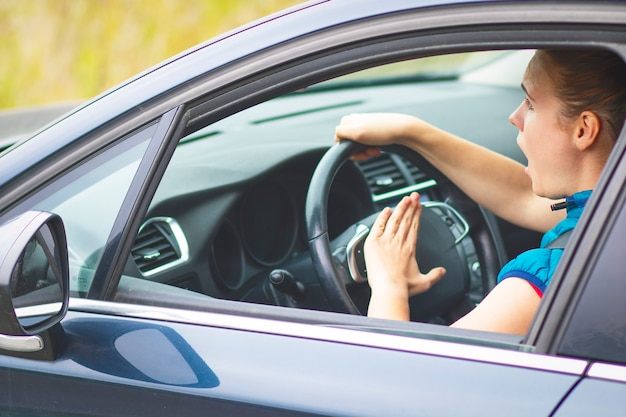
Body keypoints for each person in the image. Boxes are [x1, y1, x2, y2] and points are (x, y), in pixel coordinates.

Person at [334, 48, 626, 335]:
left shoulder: (547, 284)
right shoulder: (609, 216)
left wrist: (389, 284)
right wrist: (411, 132)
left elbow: (398, 373)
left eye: (531, 103)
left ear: (583, 130)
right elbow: (522, 196)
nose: (515, 116)